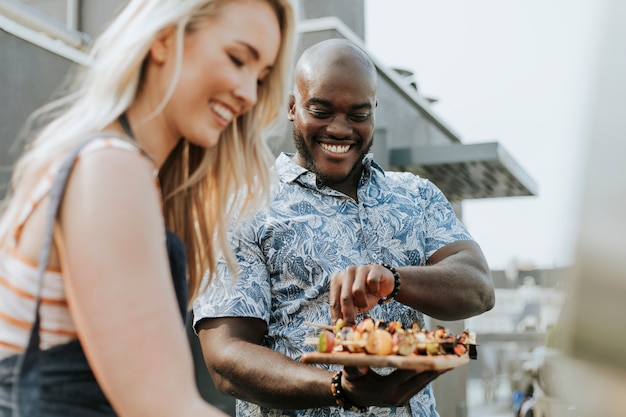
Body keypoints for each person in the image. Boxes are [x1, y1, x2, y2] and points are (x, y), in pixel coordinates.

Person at [0, 0, 295, 416]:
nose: (249, 94)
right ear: (163, 39)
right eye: (237, 59)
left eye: (261, 78)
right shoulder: (110, 168)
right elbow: (164, 406)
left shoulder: (130, 174)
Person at [194, 38, 495, 416]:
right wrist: (341, 390)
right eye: (321, 110)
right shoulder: (241, 207)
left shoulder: (416, 196)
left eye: (358, 114)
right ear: (292, 106)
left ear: (374, 112)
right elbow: (226, 357)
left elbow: (479, 287)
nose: (340, 129)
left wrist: (393, 280)